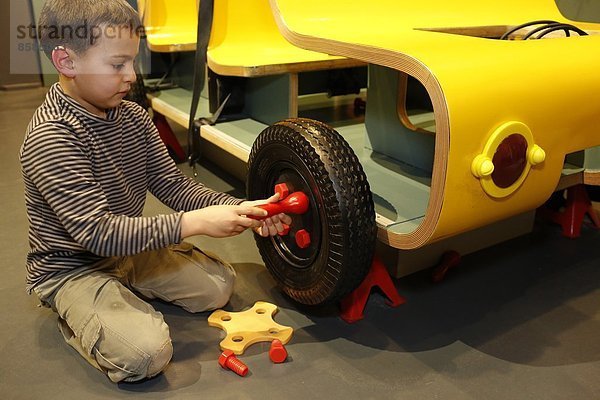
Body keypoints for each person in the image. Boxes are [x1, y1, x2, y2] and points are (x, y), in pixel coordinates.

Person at [20, 0, 291, 383]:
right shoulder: (52, 137)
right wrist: (192, 224)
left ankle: (124, 287)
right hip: (74, 266)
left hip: (127, 248)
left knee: (219, 288)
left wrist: (242, 208)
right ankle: (75, 308)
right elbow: (97, 233)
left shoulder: (133, 117)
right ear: (67, 63)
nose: (132, 75)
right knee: (145, 356)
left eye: (133, 60)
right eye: (117, 65)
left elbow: (174, 185)